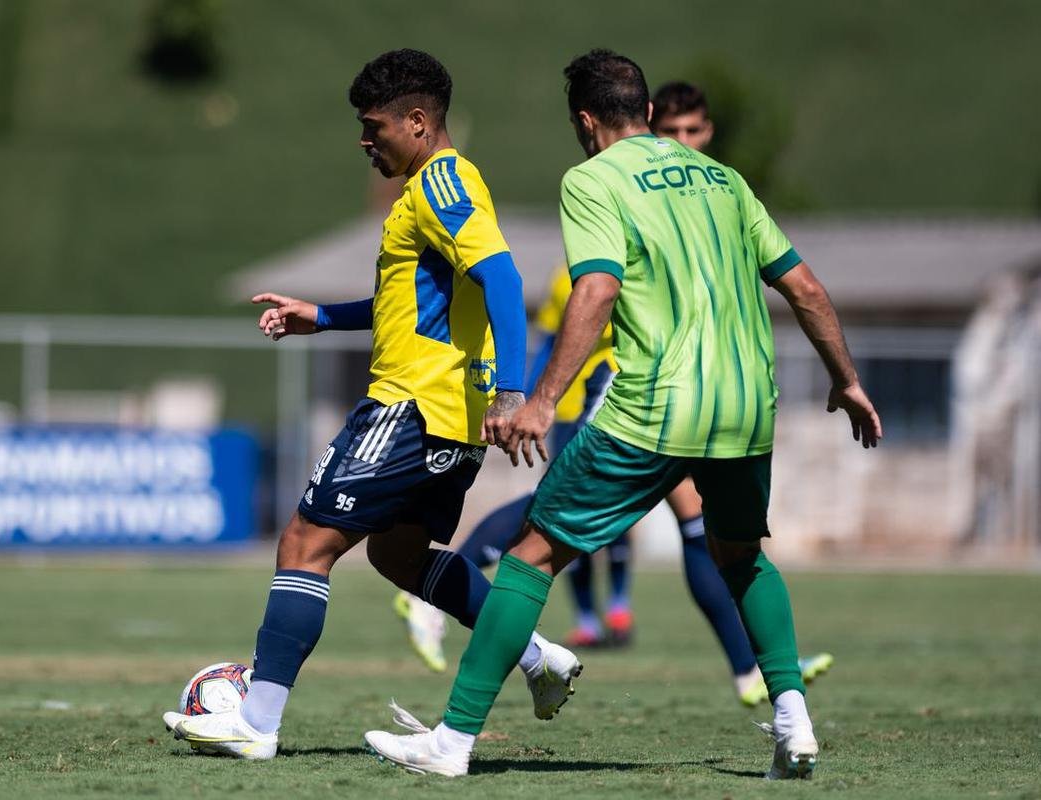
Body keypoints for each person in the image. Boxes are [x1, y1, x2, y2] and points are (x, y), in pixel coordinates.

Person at [365, 49, 881, 779]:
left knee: (529, 558)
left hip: (653, 408)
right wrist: (846, 379)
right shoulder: (725, 179)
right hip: (745, 408)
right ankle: (793, 722)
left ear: (584, 120)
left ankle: (450, 744)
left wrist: (540, 400)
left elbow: (596, 291)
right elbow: (805, 288)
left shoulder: (591, 179)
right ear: (645, 111)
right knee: (739, 555)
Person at [160, 48, 582, 760]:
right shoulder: (430, 188)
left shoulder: (442, 181)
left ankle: (256, 722)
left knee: (303, 542)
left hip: (410, 408)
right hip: (446, 416)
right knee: (397, 554)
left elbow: (504, 280)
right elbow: (407, 304)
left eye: (374, 125)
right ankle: (537, 655)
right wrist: (318, 317)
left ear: (417, 121)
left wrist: (514, 392)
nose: (365, 140)